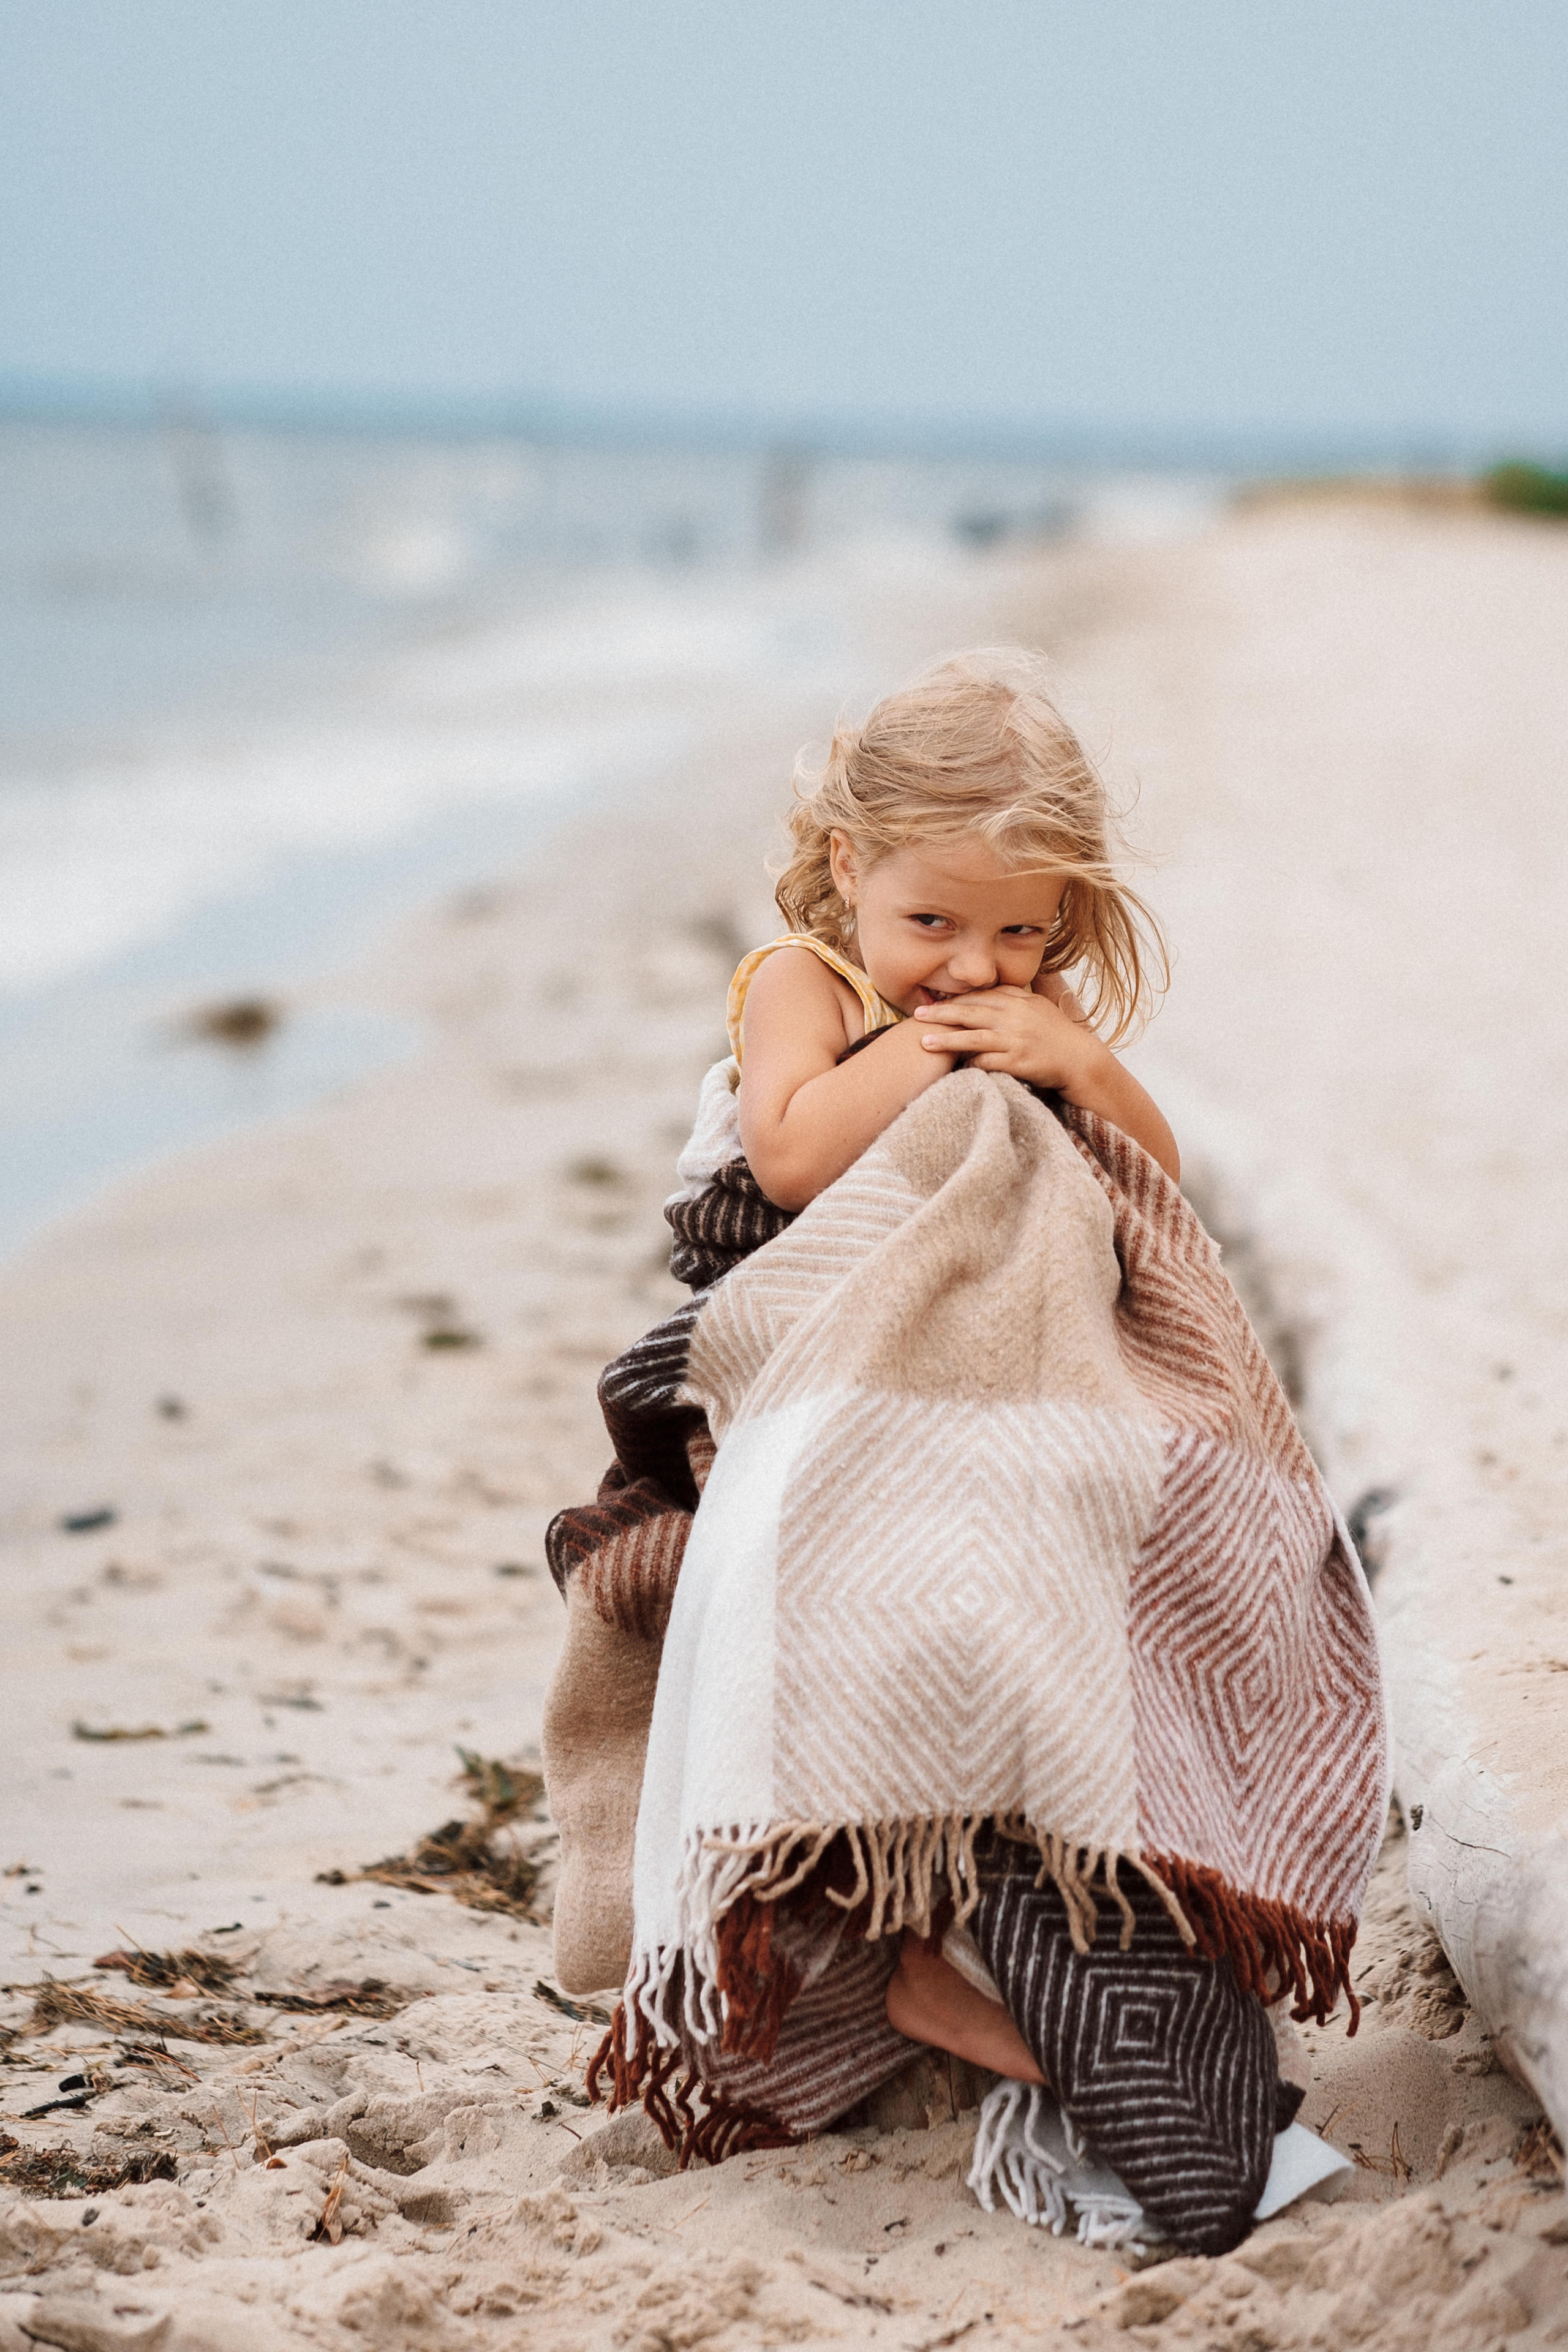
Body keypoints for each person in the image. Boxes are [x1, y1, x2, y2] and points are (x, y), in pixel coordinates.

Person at [726, 646, 1175, 2087]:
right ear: (848, 863)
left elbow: (1149, 1190)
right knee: (858, 1624)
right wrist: (932, 1054)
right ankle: (906, 1966)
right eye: (931, 921)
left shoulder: (1028, 1011)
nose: (974, 969)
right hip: (805, 1355)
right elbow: (788, 1159)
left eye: (1021, 938)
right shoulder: (808, 980)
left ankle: (1000, 1928)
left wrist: (1081, 1067)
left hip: (979, 1356)